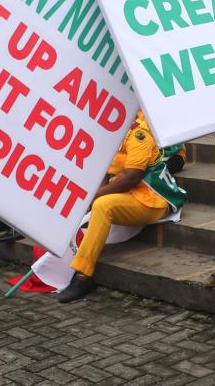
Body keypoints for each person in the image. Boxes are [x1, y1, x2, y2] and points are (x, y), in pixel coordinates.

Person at [58, 111, 185, 302]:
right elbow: (105, 172)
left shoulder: (139, 135)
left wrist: (94, 199)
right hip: (129, 195)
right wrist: (90, 201)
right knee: (95, 204)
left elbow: (131, 177)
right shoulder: (111, 136)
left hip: (152, 199)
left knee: (102, 205)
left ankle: (83, 275)